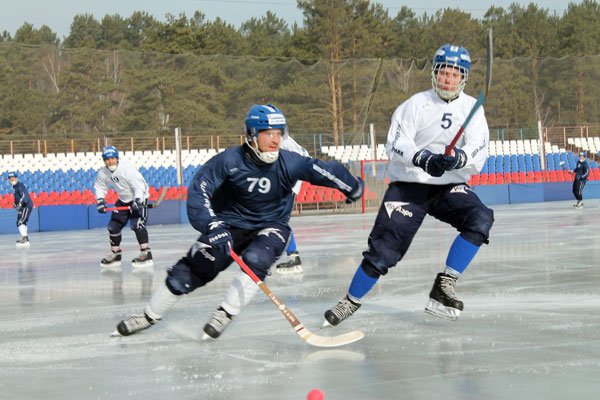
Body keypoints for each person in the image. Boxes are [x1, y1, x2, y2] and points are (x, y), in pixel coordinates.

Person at [113, 103, 363, 339]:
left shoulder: (289, 161)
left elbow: (324, 170)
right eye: (268, 133)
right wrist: (211, 225)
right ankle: (149, 316)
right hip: (228, 226)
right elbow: (199, 189)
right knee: (186, 274)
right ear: (252, 135)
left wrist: (352, 188)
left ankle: (225, 312)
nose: (276, 140)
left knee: (256, 261)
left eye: (279, 133)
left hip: (271, 226)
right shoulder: (230, 160)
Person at [323, 44, 494, 326]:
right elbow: (397, 143)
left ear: (463, 78)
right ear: (434, 74)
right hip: (410, 185)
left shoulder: (472, 109)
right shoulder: (414, 105)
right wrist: (424, 158)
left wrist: (457, 159)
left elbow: (478, 148)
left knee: (480, 218)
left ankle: (445, 284)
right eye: (443, 72)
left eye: (454, 74)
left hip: (448, 187)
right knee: (383, 252)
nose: (447, 79)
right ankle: (350, 301)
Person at [94, 146, 154, 269]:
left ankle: (146, 253)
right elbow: (100, 186)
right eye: (107, 159)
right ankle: (116, 254)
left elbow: (140, 186)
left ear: (117, 158)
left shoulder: (126, 169)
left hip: (139, 197)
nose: (110, 161)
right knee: (113, 226)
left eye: (113, 158)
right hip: (123, 199)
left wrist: (138, 200)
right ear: (104, 160)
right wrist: (100, 200)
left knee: (137, 225)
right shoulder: (103, 173)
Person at [273, 134, 310, 274]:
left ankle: (294, 257)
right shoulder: (283, 139)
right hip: (287, 184)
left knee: (278, 221)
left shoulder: (281, 140)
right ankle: (292, 256)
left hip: (288, 185)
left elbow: (305, 157)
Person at [8, 172, 33, 248]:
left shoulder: (19, 185)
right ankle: (24, 238)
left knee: (20, 221)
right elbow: (17, 197)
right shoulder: (14, 187)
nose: (12, 179)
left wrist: (20, 204)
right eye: (10, 178)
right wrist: (16, 204)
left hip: (26, 205)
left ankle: (25, 239)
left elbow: (25, 197)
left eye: (13, 177)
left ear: (16, 178)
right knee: (21, 221)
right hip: (23, 205)